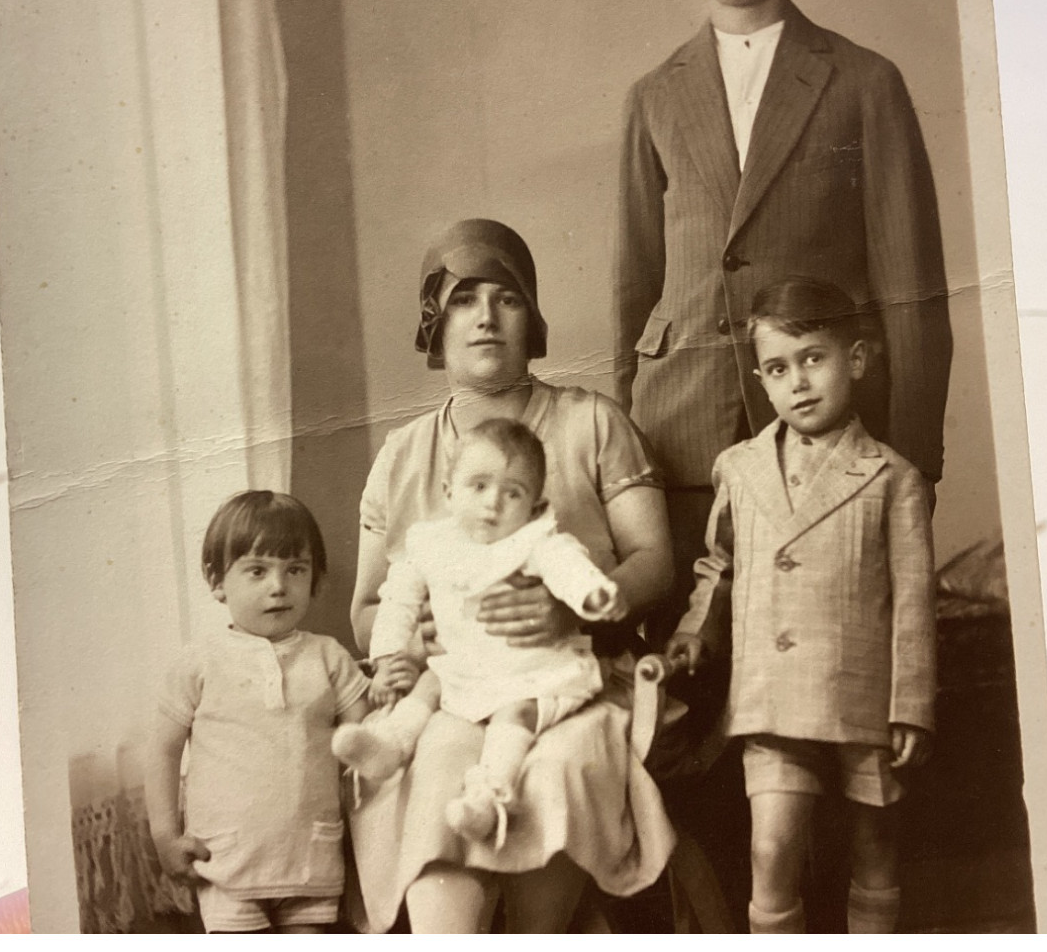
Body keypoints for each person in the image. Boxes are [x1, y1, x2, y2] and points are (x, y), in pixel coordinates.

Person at [615, 0, 953, 638]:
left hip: (835, 435)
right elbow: (634, 288)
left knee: (830, 671)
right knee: (697, 683)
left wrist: (908, 464)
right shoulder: (654, 96)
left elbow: (915, 294)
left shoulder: (864, 81)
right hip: (685, 439)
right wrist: (629, 458)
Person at [348, 218, 676, 933]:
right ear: (435, 325)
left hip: (569, 682)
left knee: (554, 767)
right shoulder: (403, 455)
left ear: (533, 316)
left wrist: (579, 612)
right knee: (437, 767)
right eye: (465, 300)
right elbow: (369, 608)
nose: (488, 317)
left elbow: (655, 560)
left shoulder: (592, 421)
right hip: (450, 690)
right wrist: (423, 629)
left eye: (508, 297)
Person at [667, 277, 937, 934]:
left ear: (858, 359)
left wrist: (911, 703)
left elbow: (913, 597)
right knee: (772, 845)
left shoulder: (891, 476)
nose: (799, 382)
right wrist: (696, 629)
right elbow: (719, 565)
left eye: (814, 357)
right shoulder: (739, 467)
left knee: (874, 843)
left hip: (864, 694)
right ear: (760, 378)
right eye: (779, 368)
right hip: (772, 691)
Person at [335, 417, 626, 848]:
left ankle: (489, 797)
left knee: (517, 712)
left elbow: (569, 567)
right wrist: (389, 657)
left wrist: (594, 596)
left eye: (513, 493)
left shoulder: (537, 540)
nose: (494, 504)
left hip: (531, 670)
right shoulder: (432, 544)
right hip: (463, 667)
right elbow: (397, 599)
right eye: (479, 486)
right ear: (449, 492)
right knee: (428, 684)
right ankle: (392, 745)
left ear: (533, 504)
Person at [145, 491, 369, 934]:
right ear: (217, 581)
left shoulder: (328, 657)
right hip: (226, 864)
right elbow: (163, 751)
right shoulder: (200, 662)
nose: (278, 586)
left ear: (316, 581)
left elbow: (364, 741)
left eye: (295, 570)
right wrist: (165, 835)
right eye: (257, 570)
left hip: (312, 863)